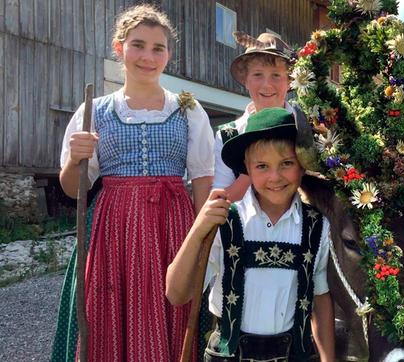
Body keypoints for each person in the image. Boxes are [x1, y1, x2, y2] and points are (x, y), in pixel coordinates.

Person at [51, 4, 214, 361]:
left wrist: (201, 243)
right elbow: (72, 189)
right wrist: (77, 159)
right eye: (138, 45)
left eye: (159, 48)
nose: (148, 56)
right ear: (119, 47)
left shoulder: (188, 110)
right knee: (106, 312)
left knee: (172, 306)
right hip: (112, 230)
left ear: (168, 55)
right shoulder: (93, 110)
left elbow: (202, 181)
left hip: (171, 227)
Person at [167, 108, 335, 361]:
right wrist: (198, 230)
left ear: (302, 166)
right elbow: (176, 294)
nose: (275, 177)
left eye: (286, 163)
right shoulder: (225, 222)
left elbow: (320, 298)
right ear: (247, 168)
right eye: (262, 166)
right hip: (228, 356)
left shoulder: (316, 226)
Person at [213, 32, 295, 201]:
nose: (267, 84)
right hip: (248, 226)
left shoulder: (306, 125)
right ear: (246, 81)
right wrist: (254, 167)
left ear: (289, 82)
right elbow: (221, 199)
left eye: (276, 75)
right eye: (258, 75)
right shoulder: (228, 135)